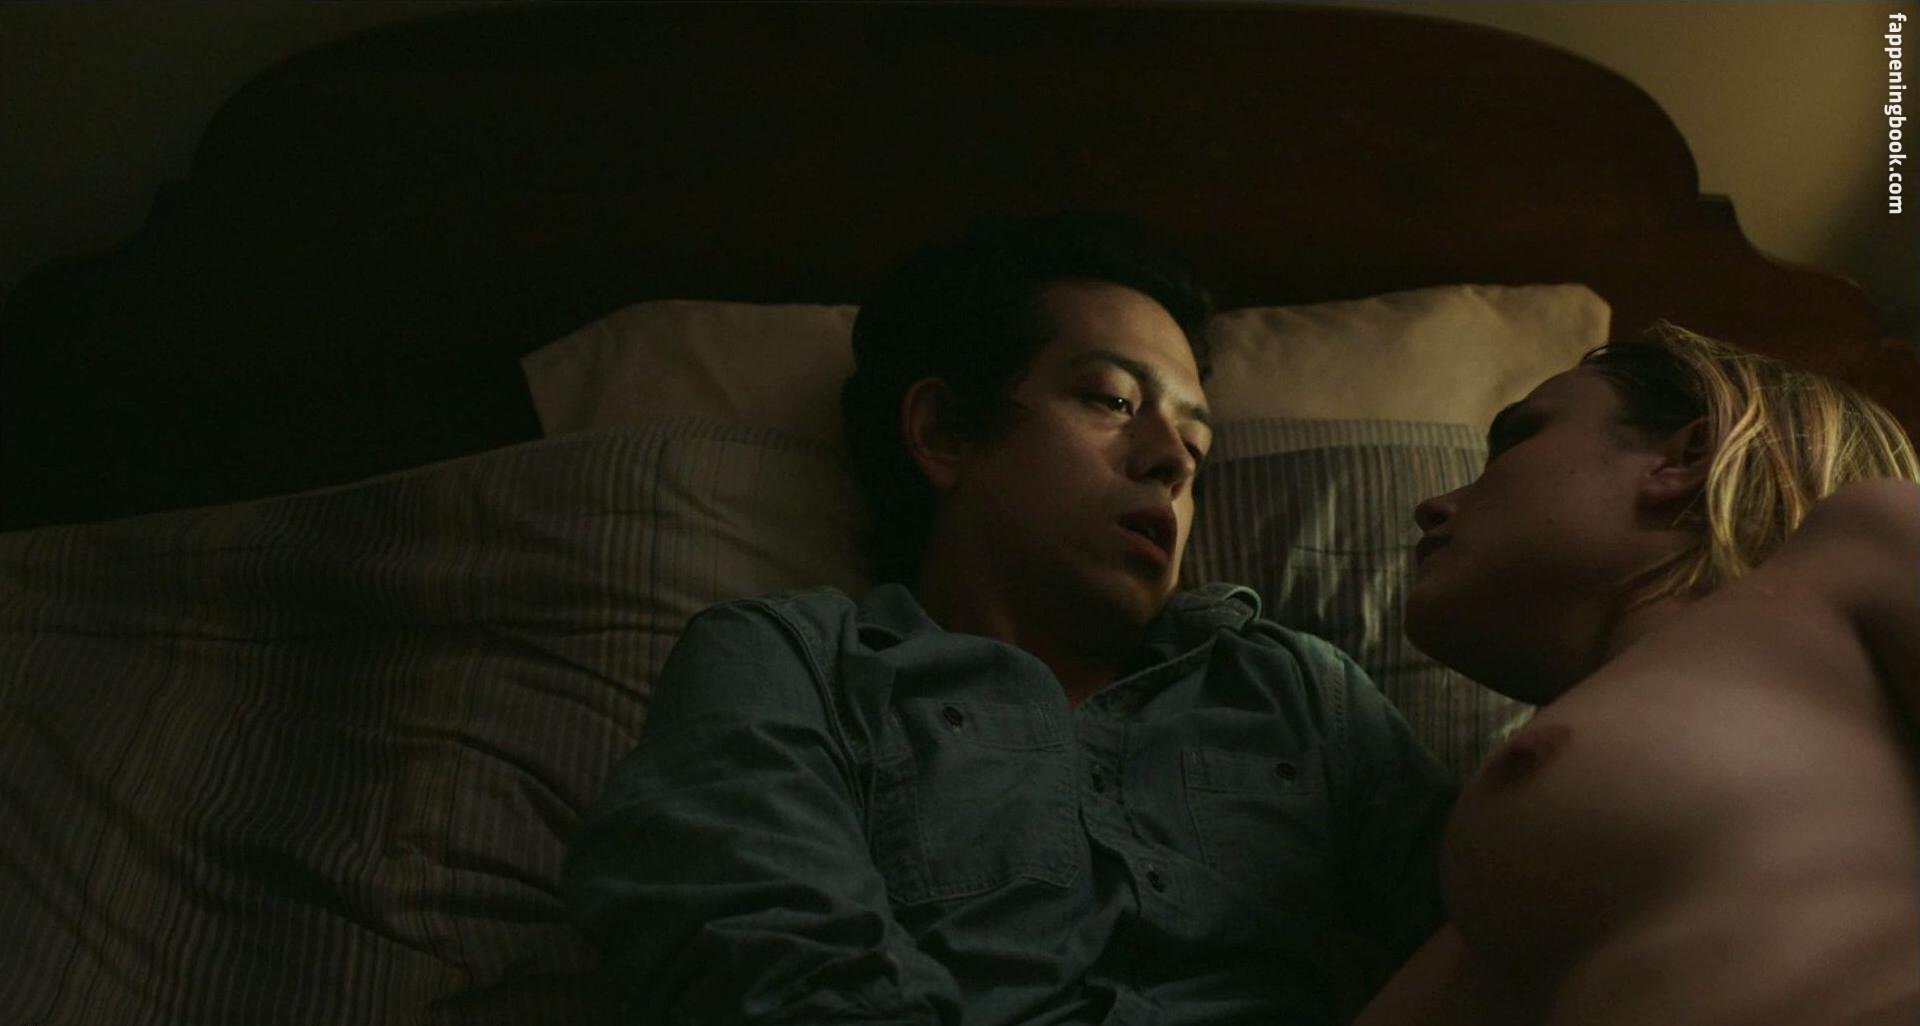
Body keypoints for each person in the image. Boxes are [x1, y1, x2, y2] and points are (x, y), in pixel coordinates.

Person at [563, 212, 1455, 1025]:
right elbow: (761, 956)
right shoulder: (794, 666)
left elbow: (1500, 927)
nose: (1172, 462)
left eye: (1196, 442)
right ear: (945, 432)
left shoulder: (1298, 691)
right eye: (1112, 400)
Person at [1357, 323, 1920, 1025]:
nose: (1432, 505)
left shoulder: (1861, 546)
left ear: (1685, 457)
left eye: (1516, 438)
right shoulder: (1529, 837)